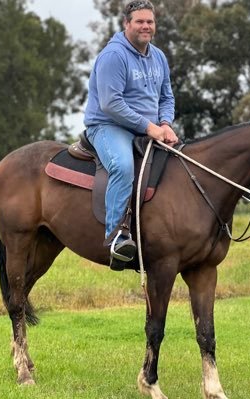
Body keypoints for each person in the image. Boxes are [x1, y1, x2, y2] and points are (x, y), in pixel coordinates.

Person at [83, 0, 178, 269]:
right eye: (139, 21)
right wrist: (150, 128)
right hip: (108, 126)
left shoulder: (158, 56)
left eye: (150, 21)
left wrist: (166, 122)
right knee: (123, 167)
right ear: (127, 24)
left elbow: (166, 96)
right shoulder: (114, 56)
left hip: (152, 129)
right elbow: (110, 104)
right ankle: (116, 237)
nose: (146, 26)